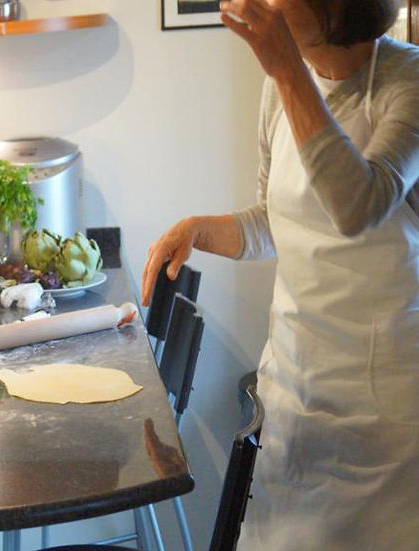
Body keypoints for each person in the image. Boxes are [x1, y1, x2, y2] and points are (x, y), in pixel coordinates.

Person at [141, 0, 418, 548]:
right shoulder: (278, 87)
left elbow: (358, 205)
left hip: (385, 420)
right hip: (292, 395)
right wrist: (200, 229)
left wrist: (286, 68)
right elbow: (274, 219)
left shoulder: (406, 78)